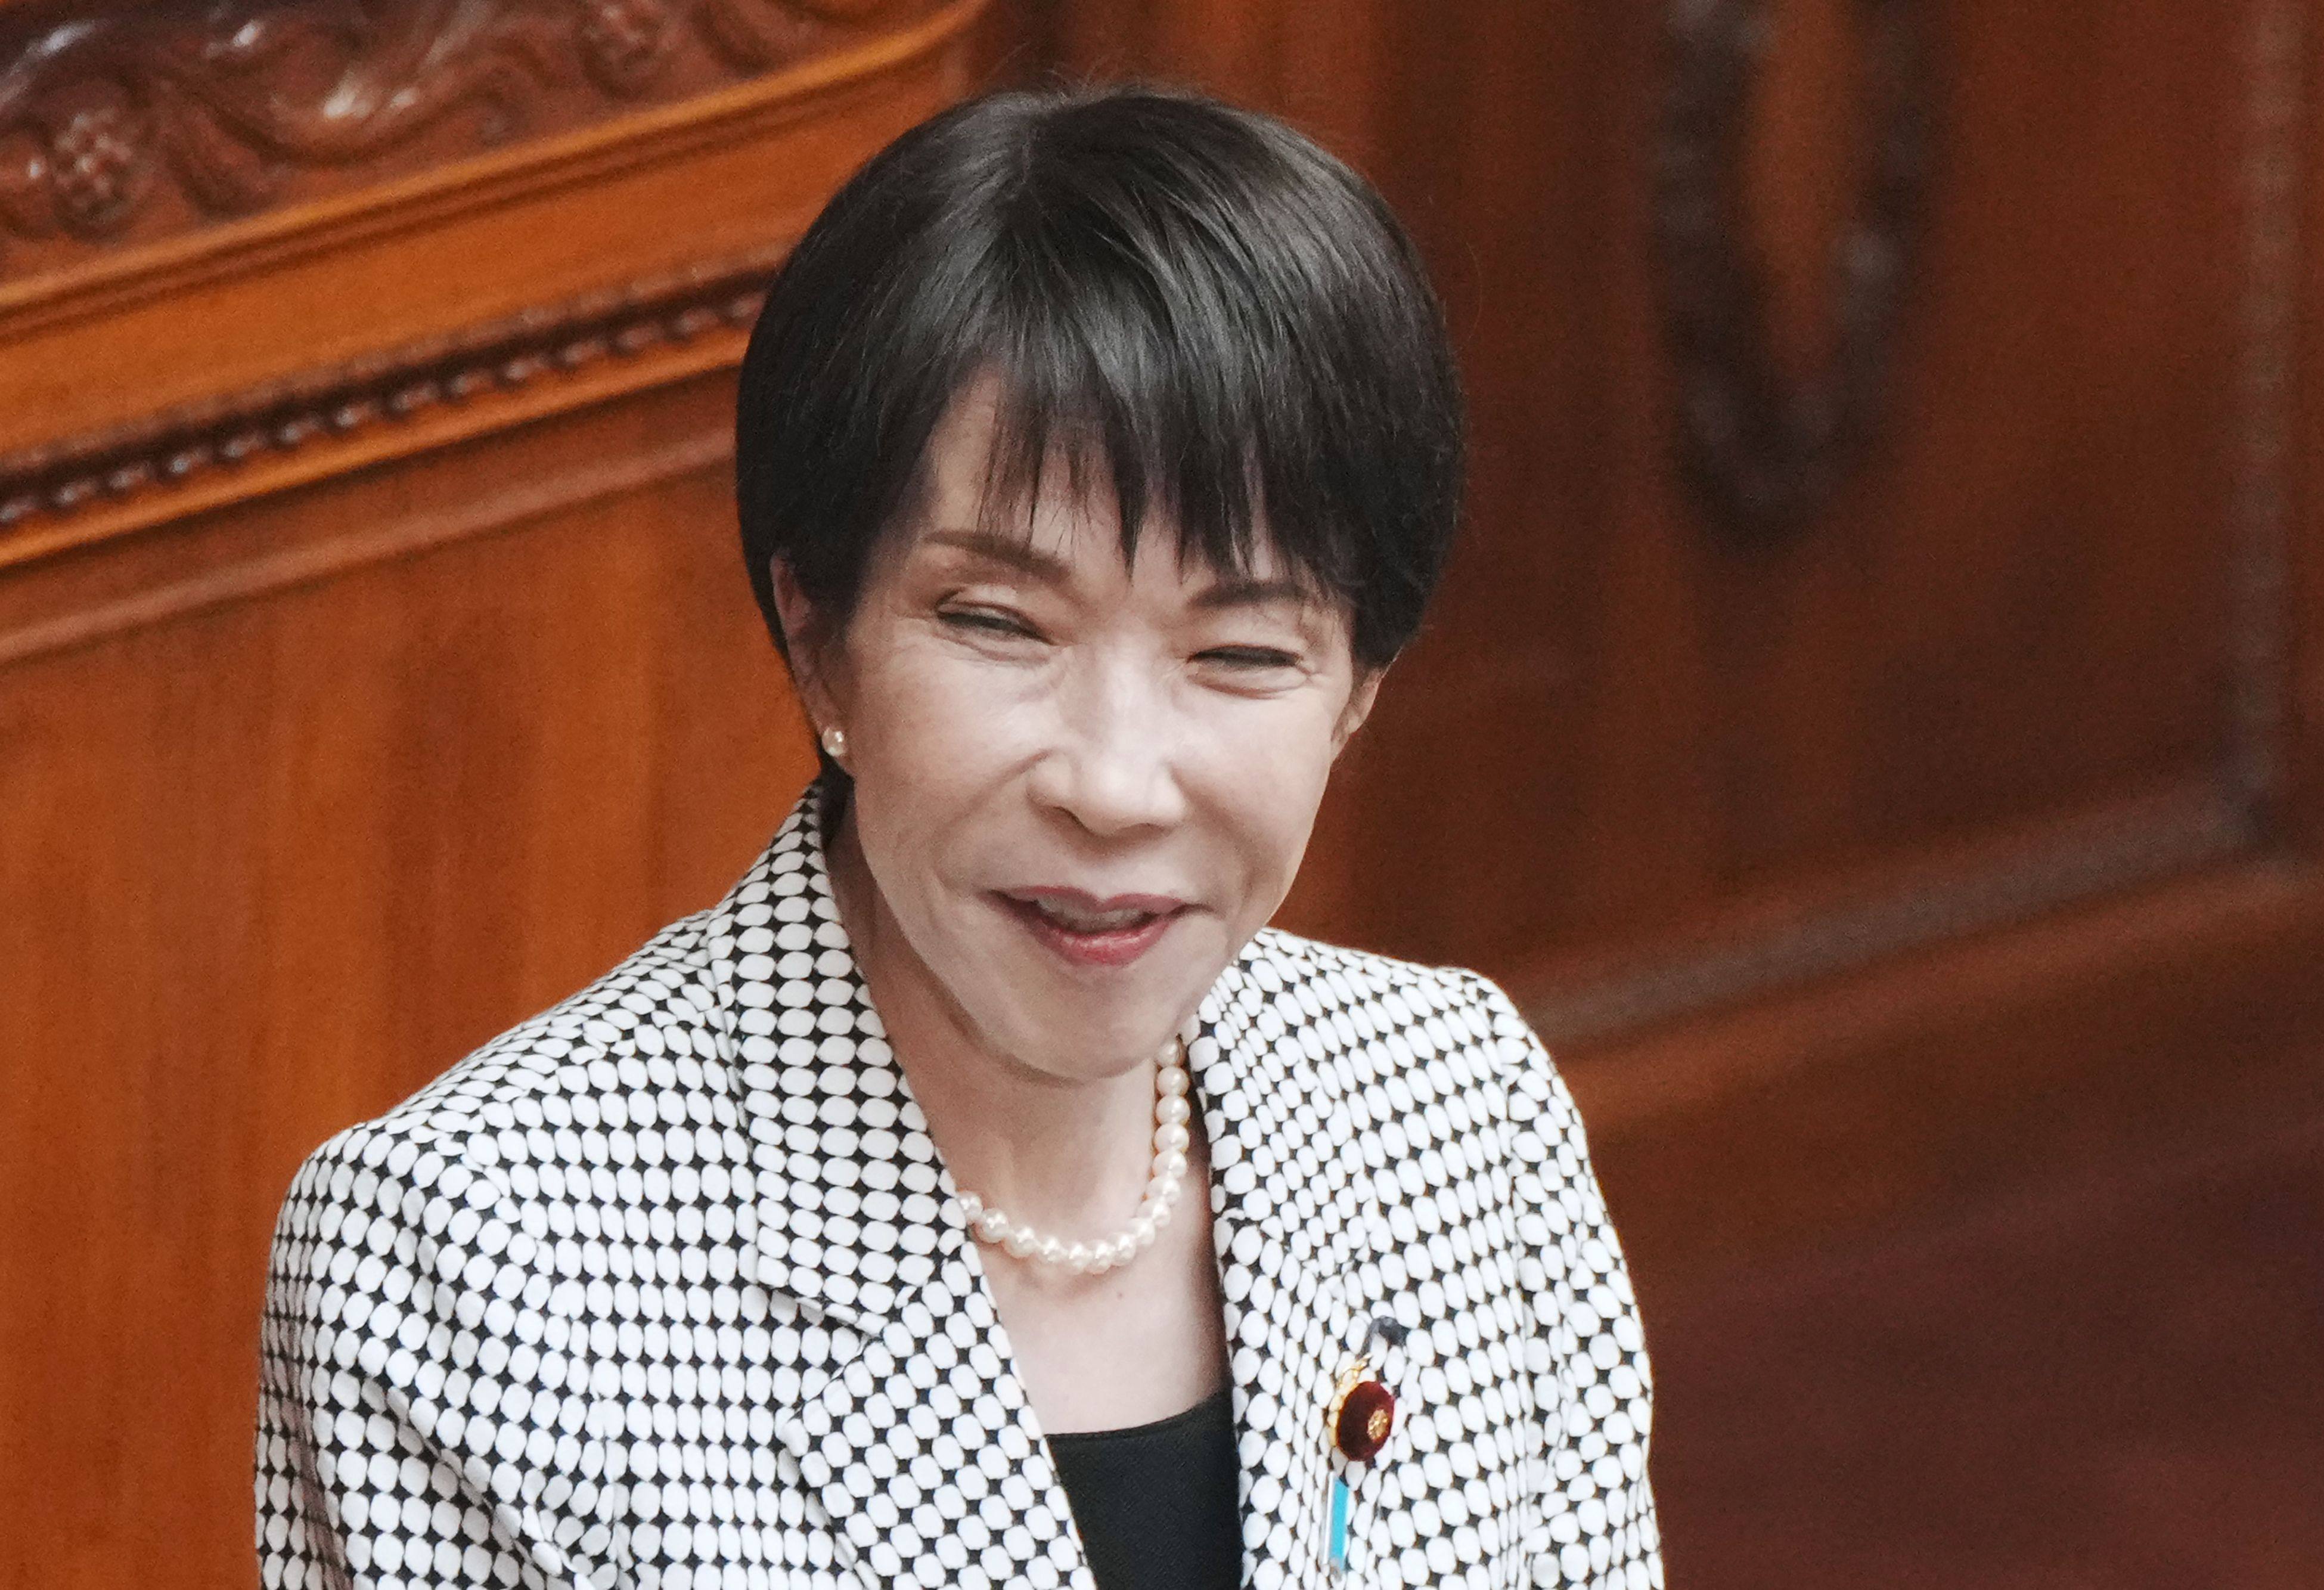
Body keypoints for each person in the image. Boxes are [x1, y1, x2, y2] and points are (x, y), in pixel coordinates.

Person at [255, 85, 1661, 1590]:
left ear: (1357, 689)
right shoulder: (477, 1261)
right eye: (1000, 622)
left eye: (1241, 651)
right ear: (818, 637)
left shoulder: (1458, 1113)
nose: (1114, 784)